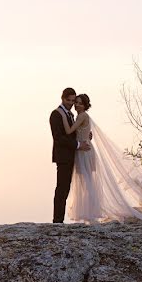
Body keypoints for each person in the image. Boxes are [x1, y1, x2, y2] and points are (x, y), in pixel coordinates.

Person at [57, 93, 142, 224]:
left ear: (85, 105)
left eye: (80, 103)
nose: (77, 105)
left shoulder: (82, 116)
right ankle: (88, 213)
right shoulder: (79, 116)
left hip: (84, 152)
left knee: (88, 182)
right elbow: (78, 133)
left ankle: (90, 213)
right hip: (82, 151)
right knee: (85, 182)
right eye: (76, 102)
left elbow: (68, 131)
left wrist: (62, 115)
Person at [49, 88, 91, 223]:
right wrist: (78, 145)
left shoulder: (71, 114)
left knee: (70, 187)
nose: (71, 103)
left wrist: (85, 135)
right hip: (63, 156)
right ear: (62, 98)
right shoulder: (56, 114)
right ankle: (57, 220)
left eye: (73, 101)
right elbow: (59, 138)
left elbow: (74, 132)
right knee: (62, 188)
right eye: (69, 100)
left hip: (73, 155)